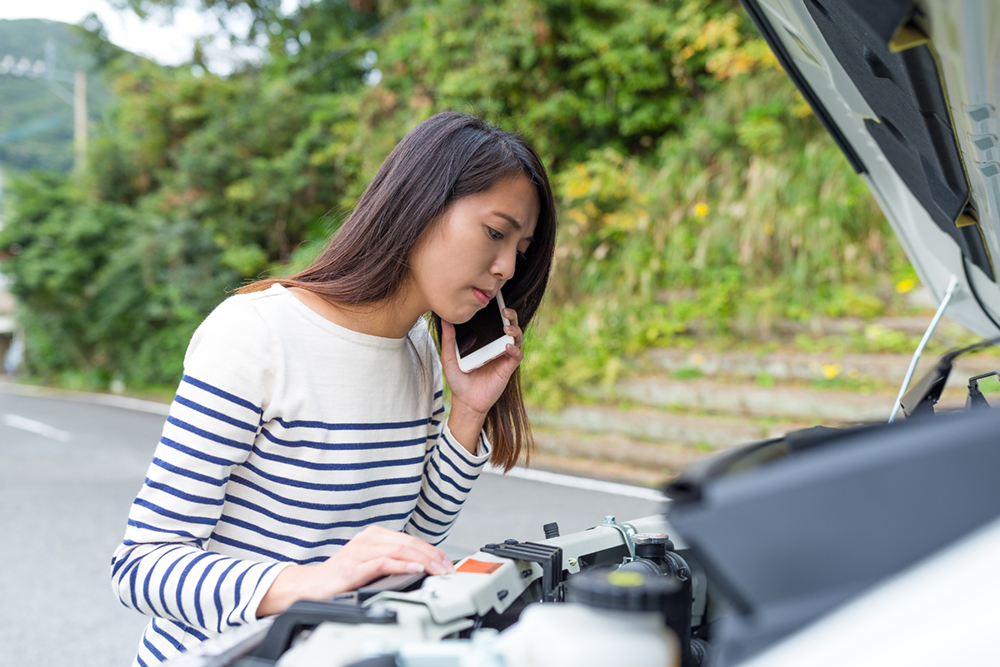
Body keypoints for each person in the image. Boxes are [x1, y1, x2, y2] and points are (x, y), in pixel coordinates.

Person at [110, 111, 556, 666]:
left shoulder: (418, 352)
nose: (507, 267)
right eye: (495, 232)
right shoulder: (257, 333)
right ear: (420, 204)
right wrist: (310, 583)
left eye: (521, 247)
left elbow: (407, 544)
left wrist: (467, 411)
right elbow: (142, 566)